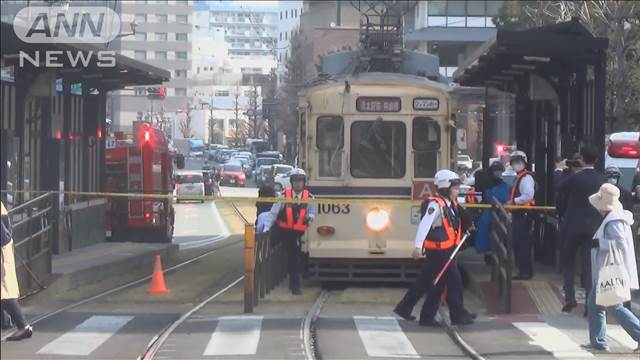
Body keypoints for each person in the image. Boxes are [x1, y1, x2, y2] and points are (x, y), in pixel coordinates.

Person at [394, 170, 475, 327]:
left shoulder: (450, 203)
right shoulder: (435, 205)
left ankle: (415, 312)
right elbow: (424, 225)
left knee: (431, 282)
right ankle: (456, 315)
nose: (458, 191)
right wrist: (418, 247)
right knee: (455, 281)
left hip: (445, 250)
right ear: (446, 188)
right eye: (456, 188)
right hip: (439, 252)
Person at [582, 184, 640, 353]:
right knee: (596, 305)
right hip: (611, 269)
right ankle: (598, 341)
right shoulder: (617, 217)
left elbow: (620, 243)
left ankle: (600, 341)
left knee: (614, 306)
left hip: (611, 270)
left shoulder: (614, 220)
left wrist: (599, 243)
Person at [557, 144, 607, 313]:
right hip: (593, 227)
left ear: (581, 159)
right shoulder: (602, 179)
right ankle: (589, 304)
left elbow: (560, 188)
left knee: (568, 261)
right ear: (597, 160)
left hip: (572, 225)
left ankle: (570, 298)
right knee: (589, 265)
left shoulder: (575, 178)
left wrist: (566, 169)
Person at [268, 169, 316, 295]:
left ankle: (295, 287)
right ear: (291, 182)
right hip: (282, 230)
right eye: (295, 181)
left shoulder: (310, 198)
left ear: (304, 182)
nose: (298, 184)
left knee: (294, 259)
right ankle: (261, 277)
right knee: (267, 248)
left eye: (300, 181)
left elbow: (312, 213)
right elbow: (273, 213)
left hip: (296, 233)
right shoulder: (283, 196)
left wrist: (309, 218)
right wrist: (266, 229)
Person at [1, 201, 33, 341]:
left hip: (2, 252)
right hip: (4, 250)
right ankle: (16, 325)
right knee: (5, 291)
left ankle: (23, 326)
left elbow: (3, 236)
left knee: (4, 292)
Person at [507, 150, 536, 280]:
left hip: (523, 215)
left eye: (519, 162)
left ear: (525, 163)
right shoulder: (519, 177)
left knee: (522, 244)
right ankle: (524, 270)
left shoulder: (526, 178)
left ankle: (524, 271)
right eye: (514, 162)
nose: (517, 165)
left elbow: (528, 195)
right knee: (518, 243)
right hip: (519, 215)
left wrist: (514, 201)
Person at [475, 161, 510, 258]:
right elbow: (486, 197)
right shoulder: (486, 184)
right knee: (488, 234)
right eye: (496, 171)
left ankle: (497, 254)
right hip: (490, 212)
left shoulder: (504, 184)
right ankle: (490, 255)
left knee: (498, 234)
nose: (498, 173)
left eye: (500, 171)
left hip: (500, 213)